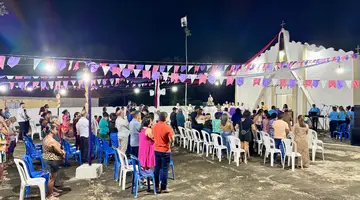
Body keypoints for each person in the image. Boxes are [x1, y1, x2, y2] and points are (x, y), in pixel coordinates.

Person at [152, 112, 174, 193]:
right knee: (164, 170)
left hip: (156, 150)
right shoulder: (167, 127)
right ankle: (164, 187)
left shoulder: (154, 126)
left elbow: (153, 137)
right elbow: (172, 139)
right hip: (165, 151)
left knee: (157, 169)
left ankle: (156, 186)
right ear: (166, 118)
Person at [43, 124, 65, 200]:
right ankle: (49, 196)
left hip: (47, 159)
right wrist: (63, 153)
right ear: (51, 130)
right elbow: (59, 151)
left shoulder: (46, 138)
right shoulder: (52, 141)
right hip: (52, 160)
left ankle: (51, 192)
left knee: (51, 178)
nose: (56, 131)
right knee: (52, 179)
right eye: (55, 129)